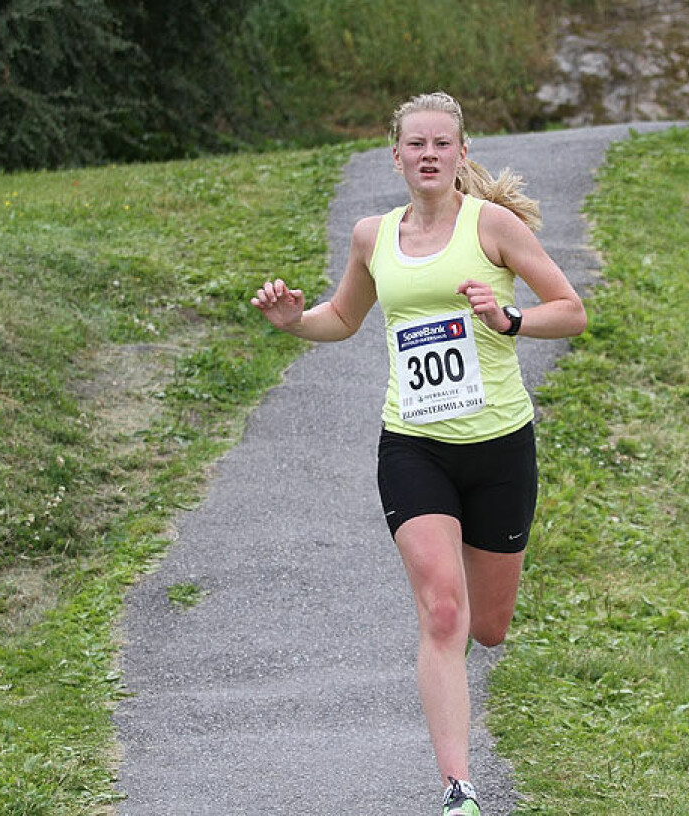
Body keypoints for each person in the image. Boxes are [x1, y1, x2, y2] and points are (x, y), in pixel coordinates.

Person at [251, 91, 586, 816]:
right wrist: (291, 322)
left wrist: (509, 318)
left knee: (486, 627)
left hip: (499, 445)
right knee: (442, 611)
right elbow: (342, 317)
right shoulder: (373, 236)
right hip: (413, 445)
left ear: (462, 154)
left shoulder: (490, 225)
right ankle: (458, 789)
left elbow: (571, 309)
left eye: (443, 143)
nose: (429, 154)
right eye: (416, 144)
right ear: (395, 154)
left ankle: (455, 695)